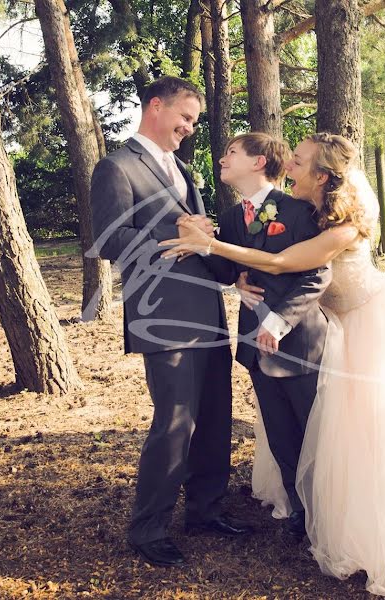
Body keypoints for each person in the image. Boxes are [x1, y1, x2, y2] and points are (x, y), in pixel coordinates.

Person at [161, 133, 385, 597]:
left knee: (370, 431)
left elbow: (285, 264)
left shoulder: (344, 225)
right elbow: (258, 266)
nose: (287, 167)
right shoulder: (301, 211)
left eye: (297, 161)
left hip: (371, 323)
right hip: (329, 326)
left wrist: (214, 248)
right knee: (323, 432)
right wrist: (225, 263)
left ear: (322, 175)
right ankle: (312, 512)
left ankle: (377, 515)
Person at [89, 76, 248, 568]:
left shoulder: (183, 169)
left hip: (208, 313)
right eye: (185, 117)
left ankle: (204, 511)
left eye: (194, 121)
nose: (188, 128)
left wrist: (231, 264)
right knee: (175, 424)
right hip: (163, 318)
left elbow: (199, 240)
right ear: (154, 106)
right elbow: (112, 242)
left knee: (216, 419)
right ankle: (148, 528)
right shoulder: (115, 168)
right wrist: (174, 230)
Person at [199, 132, 331, 538]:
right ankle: (302, 516)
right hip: (256, 346)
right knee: (281, 437)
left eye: (231, 152)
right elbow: (229, 270)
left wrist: (279, 322)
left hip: (299, 342)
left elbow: (317, 274)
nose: (222, 158)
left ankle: (331, 518)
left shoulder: (298, 211)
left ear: (258, 163)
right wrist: (215, 254)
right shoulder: (231, 214)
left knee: (318, 437)